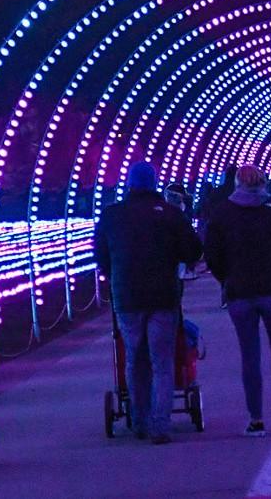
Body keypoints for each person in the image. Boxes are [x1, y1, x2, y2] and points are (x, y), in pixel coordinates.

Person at [94, 161, 202, 444]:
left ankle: (138, 421)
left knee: (134, 357)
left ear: (129, 183)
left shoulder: (112, 215)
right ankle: (161, 424)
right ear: (155, 183)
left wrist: (115, 276)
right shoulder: (170, 214)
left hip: (127, 296)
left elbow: (101, 255)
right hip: (163, 295)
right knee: (162, 361)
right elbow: (192, 249)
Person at [204, 166, 271, 437]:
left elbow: (211, 254)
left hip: (239, 292)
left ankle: (255, 419)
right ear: (263, 183)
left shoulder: (222, 212)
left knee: (250, 354)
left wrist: (225, 278)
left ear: (236, 183)